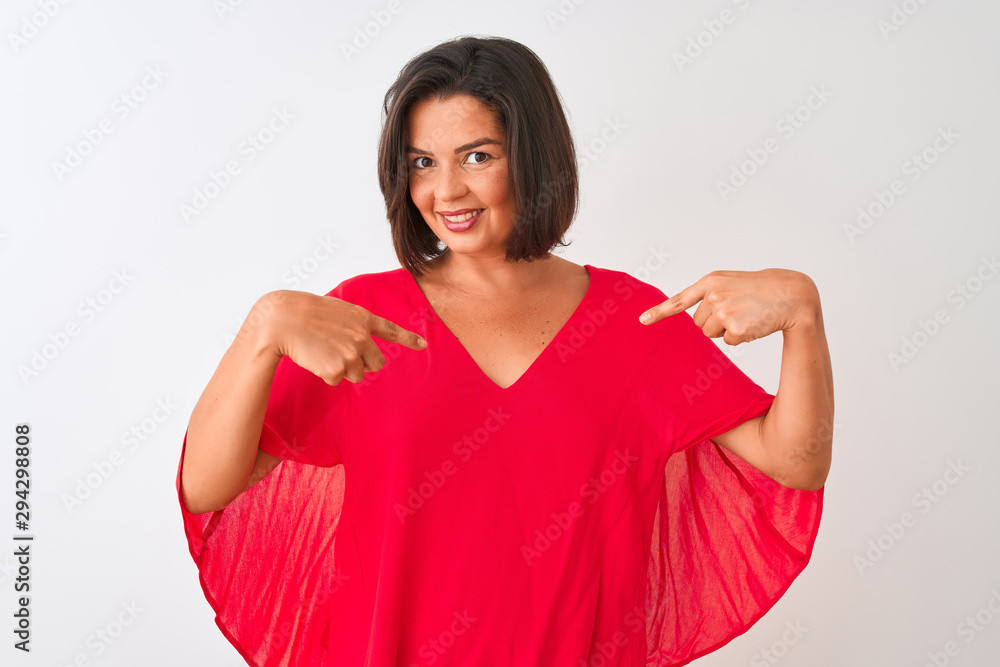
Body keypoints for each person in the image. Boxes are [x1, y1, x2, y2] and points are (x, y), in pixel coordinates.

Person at [176, 35, 831, 666]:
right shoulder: (364, 319)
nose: (446, 190)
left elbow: (792, 463)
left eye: (477, 156)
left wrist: (803, 312)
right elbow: (208, 483)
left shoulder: (631, 322)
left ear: (533, 157)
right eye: (422, 162)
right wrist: (261, 329)